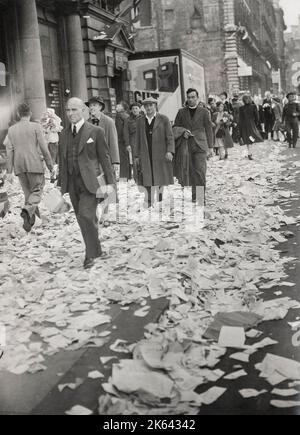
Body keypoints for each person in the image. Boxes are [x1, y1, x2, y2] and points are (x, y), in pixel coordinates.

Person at [57, 98, 115, 270]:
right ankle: (96, 249)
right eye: (67, 110)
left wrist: (111, 185)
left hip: (90, 183)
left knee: (85, 216)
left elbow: (105, 158)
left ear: (83, 110)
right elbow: (63, 160)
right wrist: (61, 186)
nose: (70, 114)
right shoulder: (64, 134)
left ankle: (90, 255)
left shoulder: (95, 131)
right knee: (83, 219)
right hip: (72, 183)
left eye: (74, 110)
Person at [4, 103, 54, 232]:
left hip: (19, 167)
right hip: (34, 164)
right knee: (37, 191)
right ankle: (27, 211)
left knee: (28, 194)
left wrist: (9, 171)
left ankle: (30, 222)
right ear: (30, 113)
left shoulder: (11, 130)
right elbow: (44, 148)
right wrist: (50, 165)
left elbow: (9, 152)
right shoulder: (36, 127)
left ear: (18, 114)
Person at [174, 88, 214, 204]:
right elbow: (175, 127)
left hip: (200, 145)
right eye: (189, 97)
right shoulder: (181, 112)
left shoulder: (204, 112)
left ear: (197, 98)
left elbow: (208, 129)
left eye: (193, 97)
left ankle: (201, 197)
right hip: (186, 146)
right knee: (190, 171)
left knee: (200, 171)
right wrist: (183, 132)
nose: (191, 99)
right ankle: (194, 195)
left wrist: (210, 147)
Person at [135, 97, 174, 208]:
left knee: (160, 175)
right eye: (146, 106)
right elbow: (137, 139)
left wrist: (170, 151)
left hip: (160, 152)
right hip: (145, 153)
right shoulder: (140, 121)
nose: (148, 108)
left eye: (151, 105)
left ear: (155, 106)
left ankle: (160, 198)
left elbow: (170, 137)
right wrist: (136, 155)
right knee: (147, 175)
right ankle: (148, 199)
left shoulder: (163, 119)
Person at [86, 96, 120, 174]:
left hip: (106, 161)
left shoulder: (109, 122)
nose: (91, 107)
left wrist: (115, 161)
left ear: (100, 107)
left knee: (107, 184)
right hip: (91, 162)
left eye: (94, 105)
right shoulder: (86, 123)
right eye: (90, 105)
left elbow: (113, 142)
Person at [239, 95, 263, 160]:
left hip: (244, 124)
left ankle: (249, 152)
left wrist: (240, 126)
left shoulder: (241, 108)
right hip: (251, 123)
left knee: (248, 138)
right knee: (251, 137)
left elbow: (240, 119)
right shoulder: (253, 106)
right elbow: (257, 116)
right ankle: (250, 153)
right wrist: (257, 123)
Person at [128, 102, 143, 183]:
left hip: (142, 141)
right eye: (133, 108)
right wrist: (127, 144)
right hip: (133, 141)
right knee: (134, 161)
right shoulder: (128, 120)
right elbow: (126, 132)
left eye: (136, 108)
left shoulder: (144, 118)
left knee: (143, 160)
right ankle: (137, 180)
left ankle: (143, 177)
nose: (134, 110)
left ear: (140, 109)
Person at [115, 101, 131, 180]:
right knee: (126, 158)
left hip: (120, 140)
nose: (117, 106)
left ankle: (123, 176)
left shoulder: (119, 116)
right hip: (125, 140)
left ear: (123, 108)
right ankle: (128, 176)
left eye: (119, 105)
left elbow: (119, 129)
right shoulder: (127, 116)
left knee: (122, 159)